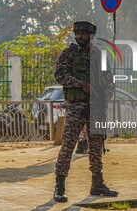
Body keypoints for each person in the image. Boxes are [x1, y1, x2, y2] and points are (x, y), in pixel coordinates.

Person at [53, 21, 118, 202]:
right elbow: (59, 76)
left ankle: (97, 184)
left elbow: (109, 81)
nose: (80, 36)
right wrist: (81, 84)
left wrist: (103, 98)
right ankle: (59, 187)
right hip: (76, 107)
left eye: (83, 33)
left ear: (91, 35)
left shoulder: (100, 56)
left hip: (96, 108)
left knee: (96, 147)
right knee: (68, 146)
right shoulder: (69, 54)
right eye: (78, 33)